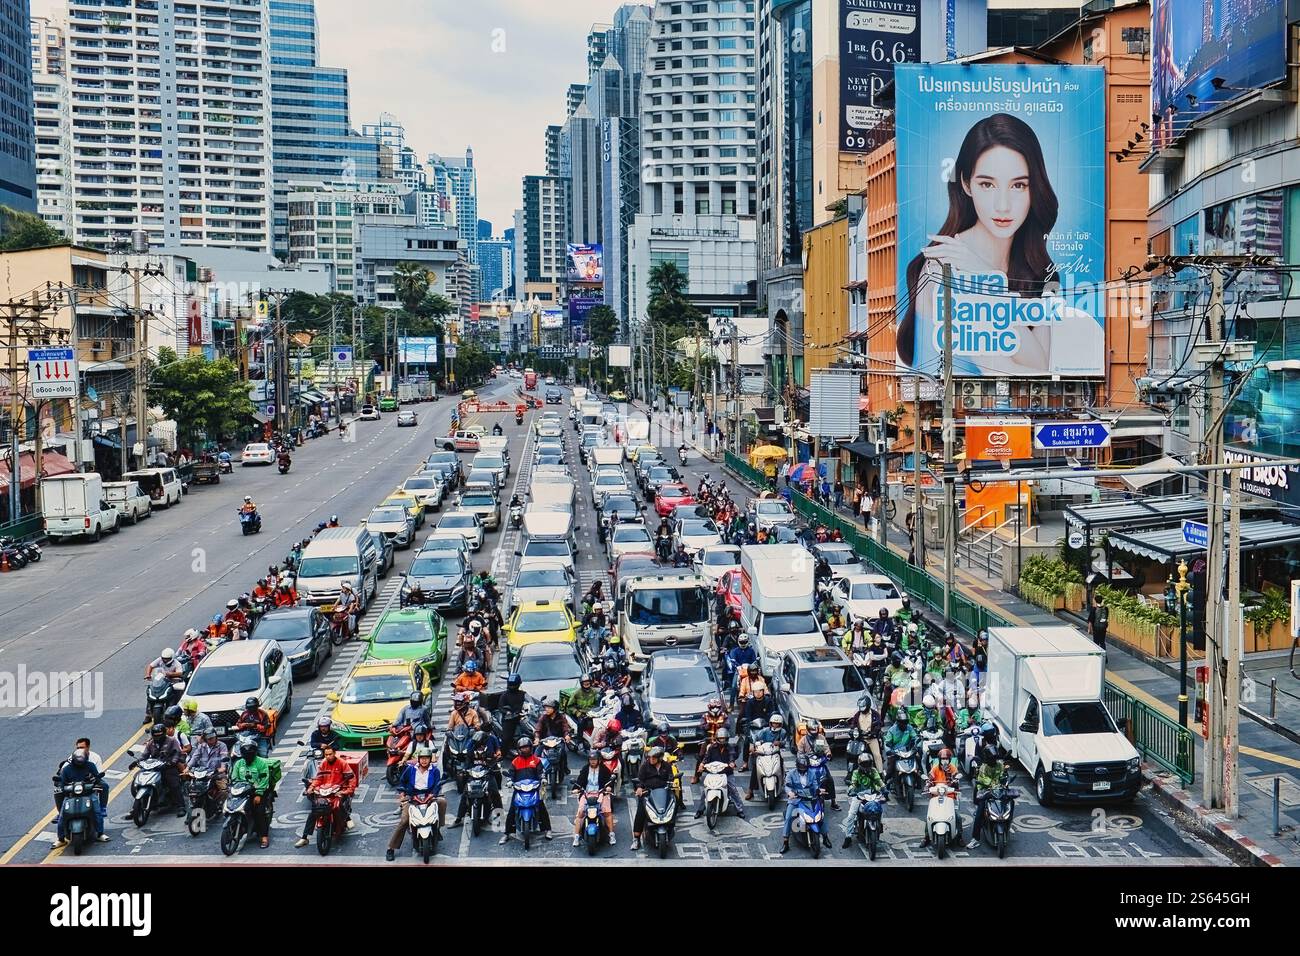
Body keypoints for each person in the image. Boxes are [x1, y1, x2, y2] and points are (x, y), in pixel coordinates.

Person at [901, 113, 1066, 372]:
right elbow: (1002, 371)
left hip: (1019, 411)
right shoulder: (941, 265)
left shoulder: (1042, 272)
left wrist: (984, 276)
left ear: (1035, 188)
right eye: (987, 184)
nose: (1003, 205)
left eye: (1019, 186)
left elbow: (1040, 366)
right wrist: (985, 280)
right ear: (966, 184)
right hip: (948, 408)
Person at [386, 746, 446, 860]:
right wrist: (403, 795)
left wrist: (434, 794)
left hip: (429, 796)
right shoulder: (411, 769)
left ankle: (437, 828)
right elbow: (402, 782)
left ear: (429, 759)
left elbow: (437, 785)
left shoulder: (435, 770)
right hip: (413, 796)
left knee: (442, 802)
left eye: (426, 758)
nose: (424, 760)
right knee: (404, 821)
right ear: (418, 759)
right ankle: (391, 848)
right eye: (422, 758)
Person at [294, 745, 357, 847]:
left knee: (337, 806)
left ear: (334, 753)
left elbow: (351, 778)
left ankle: (347, 818)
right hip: (325, 791)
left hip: (338, 791)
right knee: (314, 811)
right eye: (326, 754)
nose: (328, 756)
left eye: (330, 754)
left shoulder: (342, 763)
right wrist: (311, 788)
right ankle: (304, 838)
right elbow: (318, 778)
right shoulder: (323, 763)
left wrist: (348, 790)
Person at [500, 738, 553, 844]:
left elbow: (541, 772)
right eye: (522, 748)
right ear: (519, 749)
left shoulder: (536, 760)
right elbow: (511, 774)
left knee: (541, 807)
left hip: (534, 789)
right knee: (512, 810)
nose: (525, 750)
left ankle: (548, 829)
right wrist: (510, 781)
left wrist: (542, 778)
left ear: (531, 748)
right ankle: (507, 833)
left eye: (527, 747)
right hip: (519, 790)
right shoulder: (515, 761)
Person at [53, 749, 109, 846]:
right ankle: (61, 839)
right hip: (71, 796)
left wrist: (95, 782)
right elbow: (62, 783)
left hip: (88, 794)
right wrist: (61, 786)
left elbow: (97, 778)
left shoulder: (91, 766)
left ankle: (100, 833)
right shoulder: (66, 769)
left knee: (97, 812)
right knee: (61, 816)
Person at [691, 729, 747, 821]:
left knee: (733, 789)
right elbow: (706, 758)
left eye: (723, 738)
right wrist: (702, 764)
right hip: (713, 772)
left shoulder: (730, 747)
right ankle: (700, 810)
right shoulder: (712, 747)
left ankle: (739, 809)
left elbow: (731, 755)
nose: (722, 740)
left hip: (726, 772)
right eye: (720, 738)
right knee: (705, 791)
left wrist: (731, 762)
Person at [451, 730, 503, 826]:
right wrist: (464, 770)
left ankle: (499, 815)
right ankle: (459, 818)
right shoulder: (471, 746)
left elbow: (495, 758)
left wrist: (494, 764)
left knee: (495, 792)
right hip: (474, 774)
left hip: (487, 773)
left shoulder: (490, 745)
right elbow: (468, 761)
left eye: (479, 743)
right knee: (465, 794)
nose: (477, 744)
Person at [780, 753, 829, 854]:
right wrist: (790, 793)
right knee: (789, 817)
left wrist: (819, 791)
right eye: (801, 767)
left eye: (804, 767)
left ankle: (825, 837)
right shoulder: (791, 774)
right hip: (796, 799)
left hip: (810, 798)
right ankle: (785, 842)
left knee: (821, 814)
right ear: (797, 766)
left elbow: (815, 785)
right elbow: (787, 786)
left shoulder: (811, 773)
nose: (803, 769)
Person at [840, 751, 888, 848]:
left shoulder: (874, 771)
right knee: (851, 815)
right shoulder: (856, 773)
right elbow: (853, 784)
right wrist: (851, 790)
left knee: (879, 810)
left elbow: (879, 781)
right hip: (859, 796)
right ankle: (848, 837)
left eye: (868, 764)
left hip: (872, 795)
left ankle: (880, 825)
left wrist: (884, 789)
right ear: (860, 764)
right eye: (864, 764)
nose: (866, 766)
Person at [631, 745, 674, 851]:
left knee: (674, 802)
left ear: (660, 758)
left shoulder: (667, 766)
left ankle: (671, 825)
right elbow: (640, 779)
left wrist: (671, 782)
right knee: (640, 813)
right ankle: (636, 839)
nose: (651, 759)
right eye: (650, 757)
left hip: (663, 791)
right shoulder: (645, 766)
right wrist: (640, 788)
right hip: (648, 793)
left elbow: (671, 777)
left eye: (653, 758)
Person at [968, 744, 1011, 850]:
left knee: (1009, 804)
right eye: (992, 759)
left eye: (995, 758)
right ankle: (975, 839)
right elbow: (985, 780)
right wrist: (994, 784)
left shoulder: (1000, 765)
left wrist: (1004, 779)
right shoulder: (983, 768)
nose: (994, 760)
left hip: (998, 791)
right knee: (978, 815)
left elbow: (1002, 776)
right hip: (985, 791)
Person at [571, 749, 617, 847]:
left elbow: (610, 781)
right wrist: (576, 788)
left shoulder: (604, 769)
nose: (592, 761)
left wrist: (609, 788)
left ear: (599, 760)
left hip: (601, 793)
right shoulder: (585, 769)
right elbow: (580, 781)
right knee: (580, 813)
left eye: (595, 759)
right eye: (591, 759)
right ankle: (576, 836)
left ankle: (611, 834)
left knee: (606, 811)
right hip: (587, 793)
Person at [140, 724, 186, 818]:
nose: (157, 737)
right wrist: (138, 761)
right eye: (155, 735)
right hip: (154, 766)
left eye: (159, 735)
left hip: (168, 766)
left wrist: (172, 762)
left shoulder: (172, 741)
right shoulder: (151, 743)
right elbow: (145, 755)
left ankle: (181, 806)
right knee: (138, 778)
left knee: (174, 784)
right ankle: (136, 809)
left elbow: (177, 753)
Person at [923, 747, 963, 846]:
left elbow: (957, 776)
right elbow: (930, 778)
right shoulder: (935, 768)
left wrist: (955, 780)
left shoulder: (952, 768)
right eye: (942, 759)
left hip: (950, 796)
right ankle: (926, 837)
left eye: (946, 759)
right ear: (939, 760)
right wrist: (927, 784)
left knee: (957, 816)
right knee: (929, 817)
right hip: (936, 795)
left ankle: (960, 837)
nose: (944, 761)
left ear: (949, 760)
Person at [745, 713, 788, 799]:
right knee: (755, 768)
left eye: (777, 724)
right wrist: (752, 746)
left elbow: (784, 742)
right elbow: (754, 738)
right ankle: (750, 790)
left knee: (781, 765)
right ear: (770, 723)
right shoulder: (765, 731)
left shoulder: (783, 732)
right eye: (773, 723)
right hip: (763, 753)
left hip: (775, 753)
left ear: (781, 724)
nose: (775, 725)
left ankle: (782, 783)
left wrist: (780, 743)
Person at [883, 710, 918, 785]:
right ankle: (886, 781)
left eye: (905, 722)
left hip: (908, 752)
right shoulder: (892, 730)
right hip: (895, 753)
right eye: (902, 722)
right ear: (898, 722)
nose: (904, 724)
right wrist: (889, 750)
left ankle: (919, 780)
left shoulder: (909, 728)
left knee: (918, 759)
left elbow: (915, 737)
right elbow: (887, 742)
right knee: (890, 769)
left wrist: (916, 745)